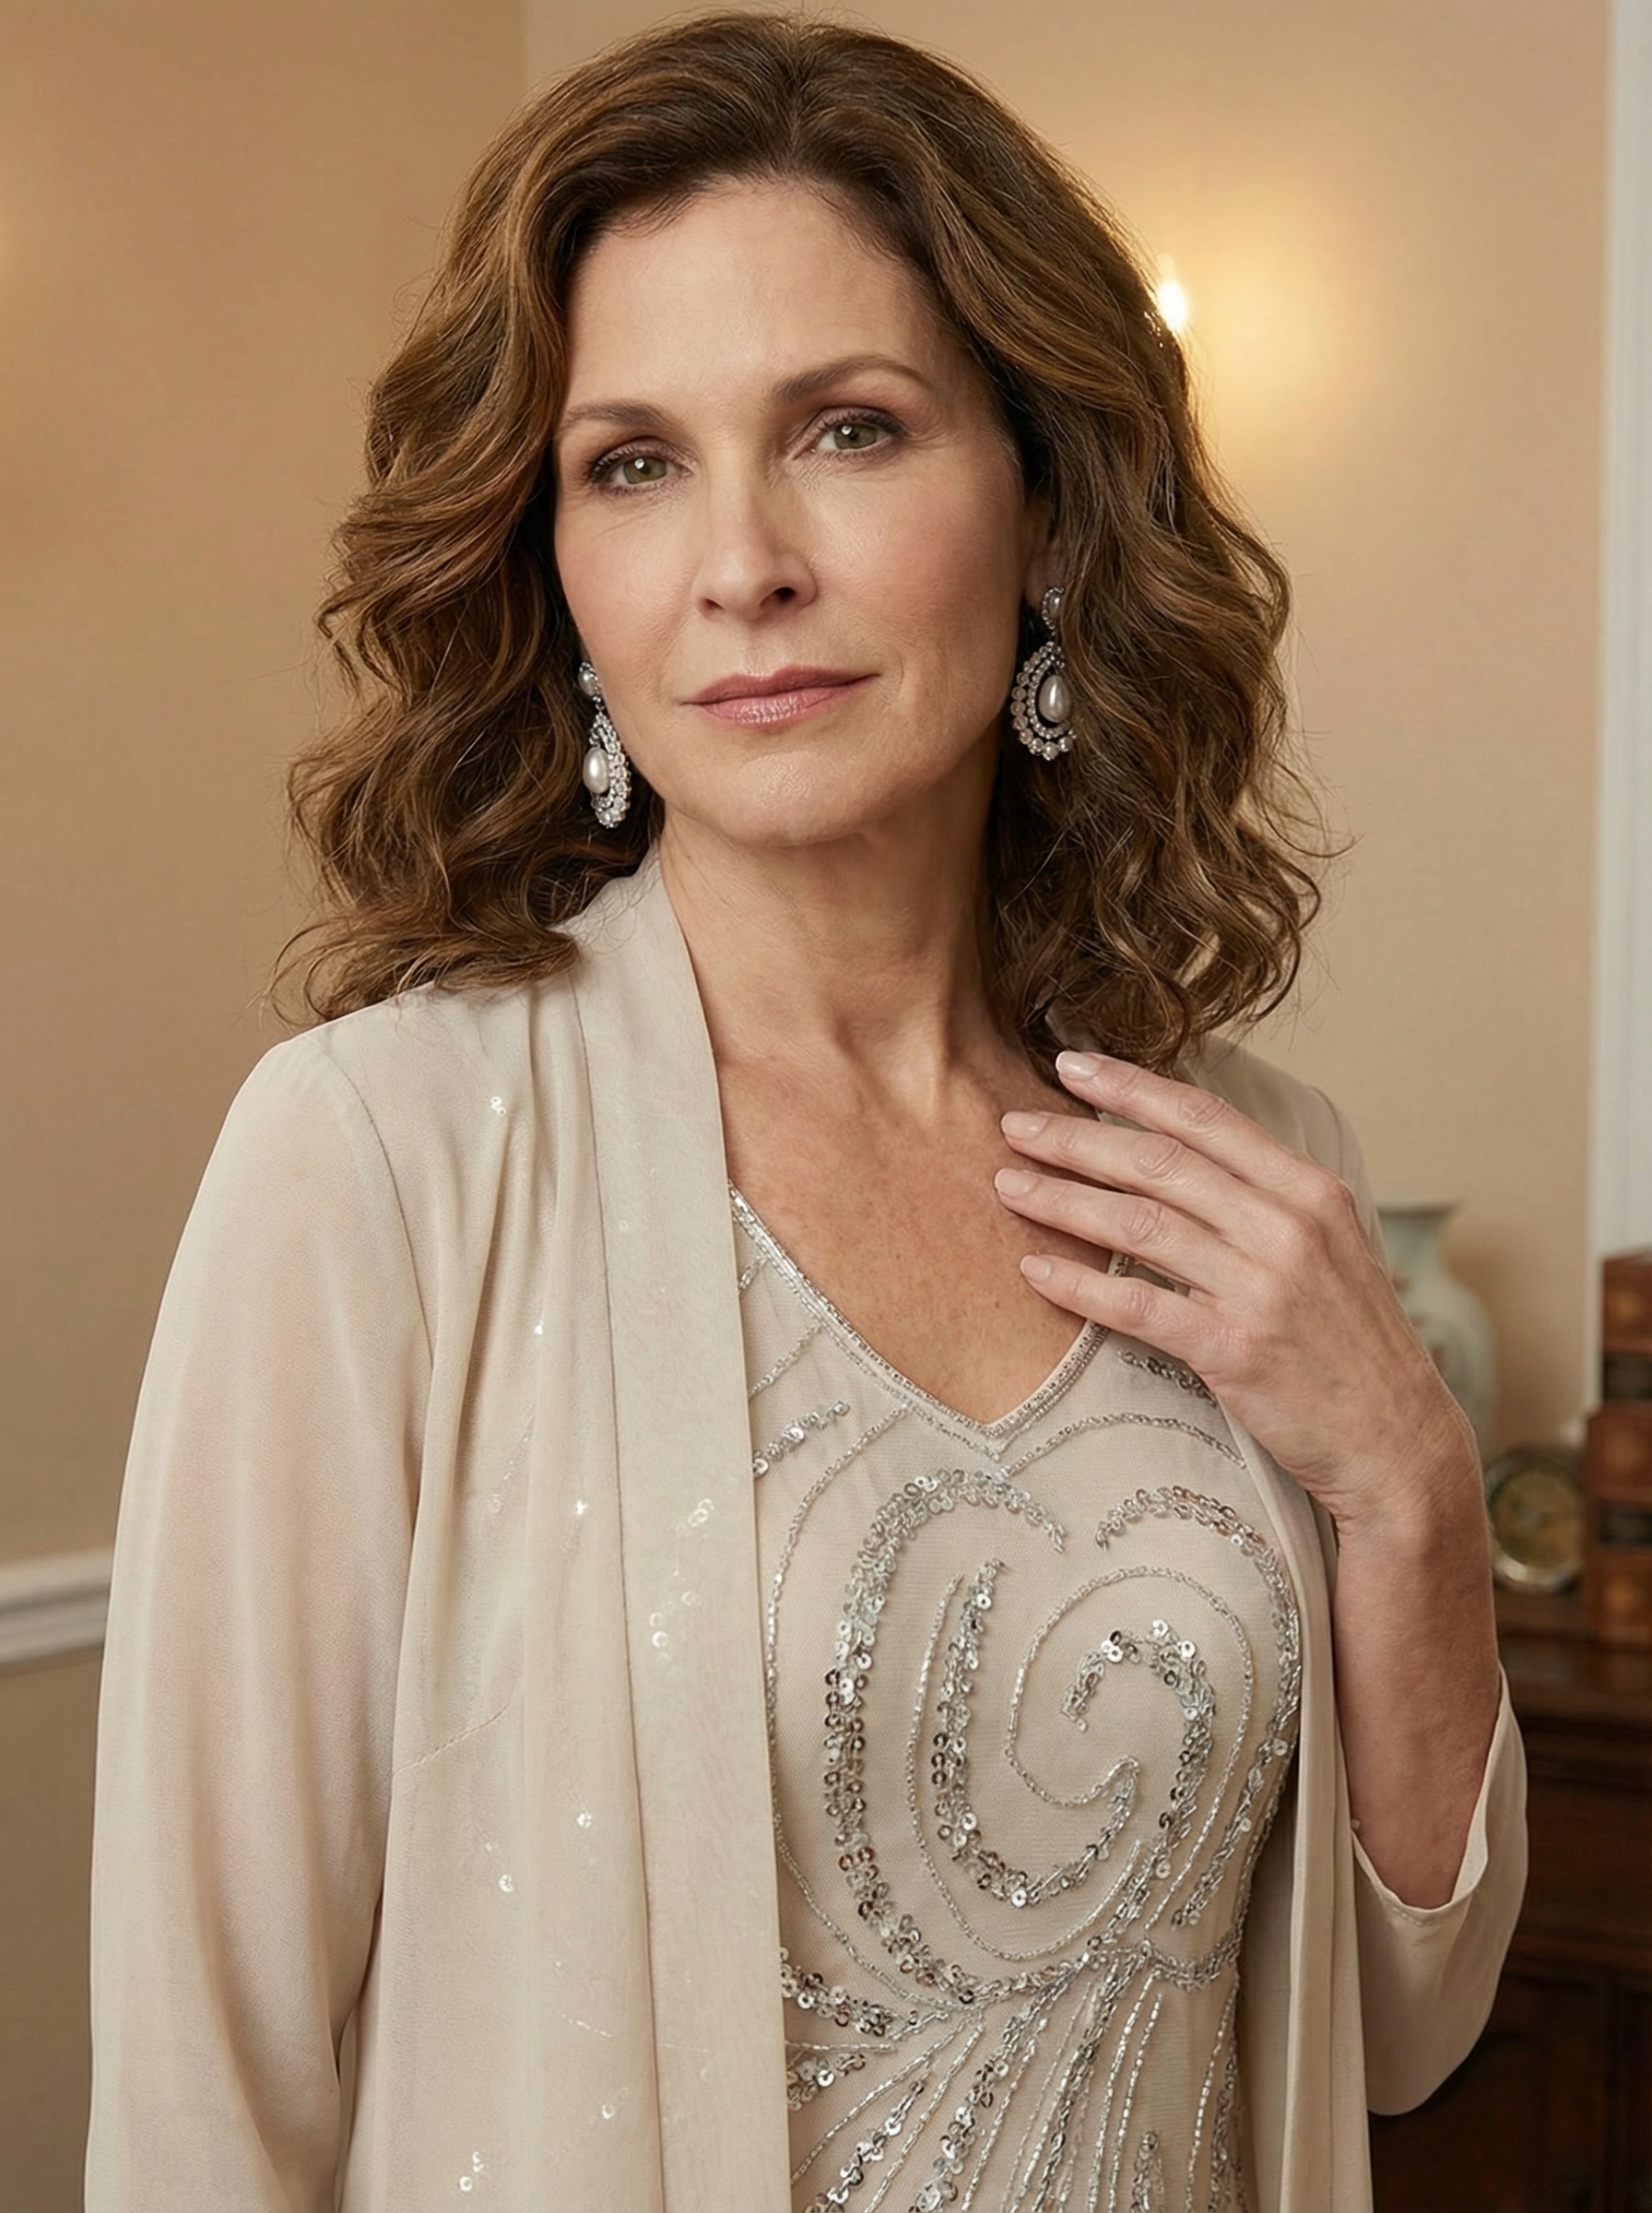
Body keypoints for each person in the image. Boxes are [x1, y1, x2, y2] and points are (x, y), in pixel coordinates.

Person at [85, 14, 1526, 2211]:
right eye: (631, 464)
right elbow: (206, 2101)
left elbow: (1400, 2031)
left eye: (847, 429)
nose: (739, 561)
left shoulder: (1250, 1166)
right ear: (554, 566)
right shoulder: (383, 1159)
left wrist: (1406, 1490)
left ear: (1048, 513)